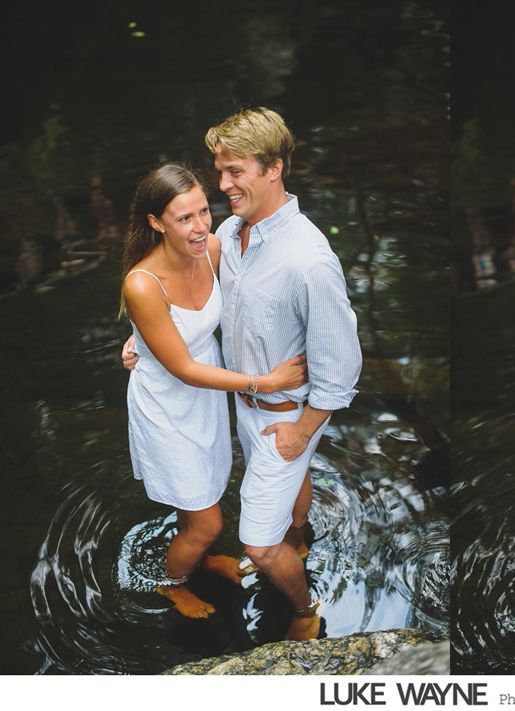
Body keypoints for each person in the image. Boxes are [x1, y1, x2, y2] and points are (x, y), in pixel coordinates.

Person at [124, 108, 362, 641]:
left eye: (236, 172)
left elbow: (342, 366)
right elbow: (180, 298)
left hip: (285, 415)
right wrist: (142, 337)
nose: (223, 186)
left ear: (274, 168)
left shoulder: (308, 261)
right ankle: (297, 540)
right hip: (238, 406)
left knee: (256, 543)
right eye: (220, 171)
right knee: (271, 504)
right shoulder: (229, 235)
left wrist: (303, 430)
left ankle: (304, 612)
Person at [121, 163, 307, 619]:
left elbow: (251, 294)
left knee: (198, 495)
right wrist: (267, 383)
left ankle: (199, 559)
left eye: (204, 211)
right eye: (184, 218)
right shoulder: (142, 284)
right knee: (208, 522)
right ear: (156, 222)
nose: (201, 226)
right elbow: (183, 367)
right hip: (169, 404)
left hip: (207, 396)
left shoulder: (212, 250)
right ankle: (172, 583)